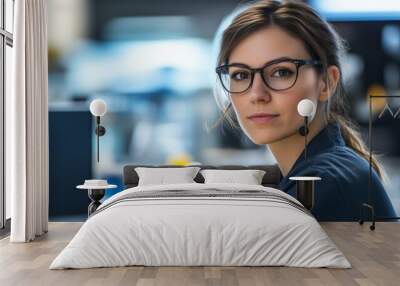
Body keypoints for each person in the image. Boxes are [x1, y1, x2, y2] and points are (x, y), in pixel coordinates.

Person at [212, 0, 396, 221]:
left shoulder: (323, 185)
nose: (257, 94)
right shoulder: (324, 169)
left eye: (281, 72)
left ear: (327, 82)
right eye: (240, 75)